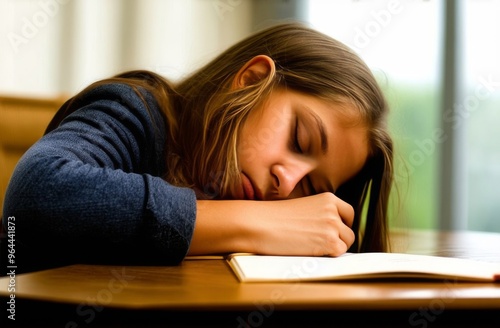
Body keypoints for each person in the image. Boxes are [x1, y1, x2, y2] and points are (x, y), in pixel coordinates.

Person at [1, 22, 394, 274]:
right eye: (299, 140)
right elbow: (37, 195)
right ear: (251, 80)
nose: (287, 182)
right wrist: (247, 221)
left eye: (310, 188)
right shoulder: (136, 110)